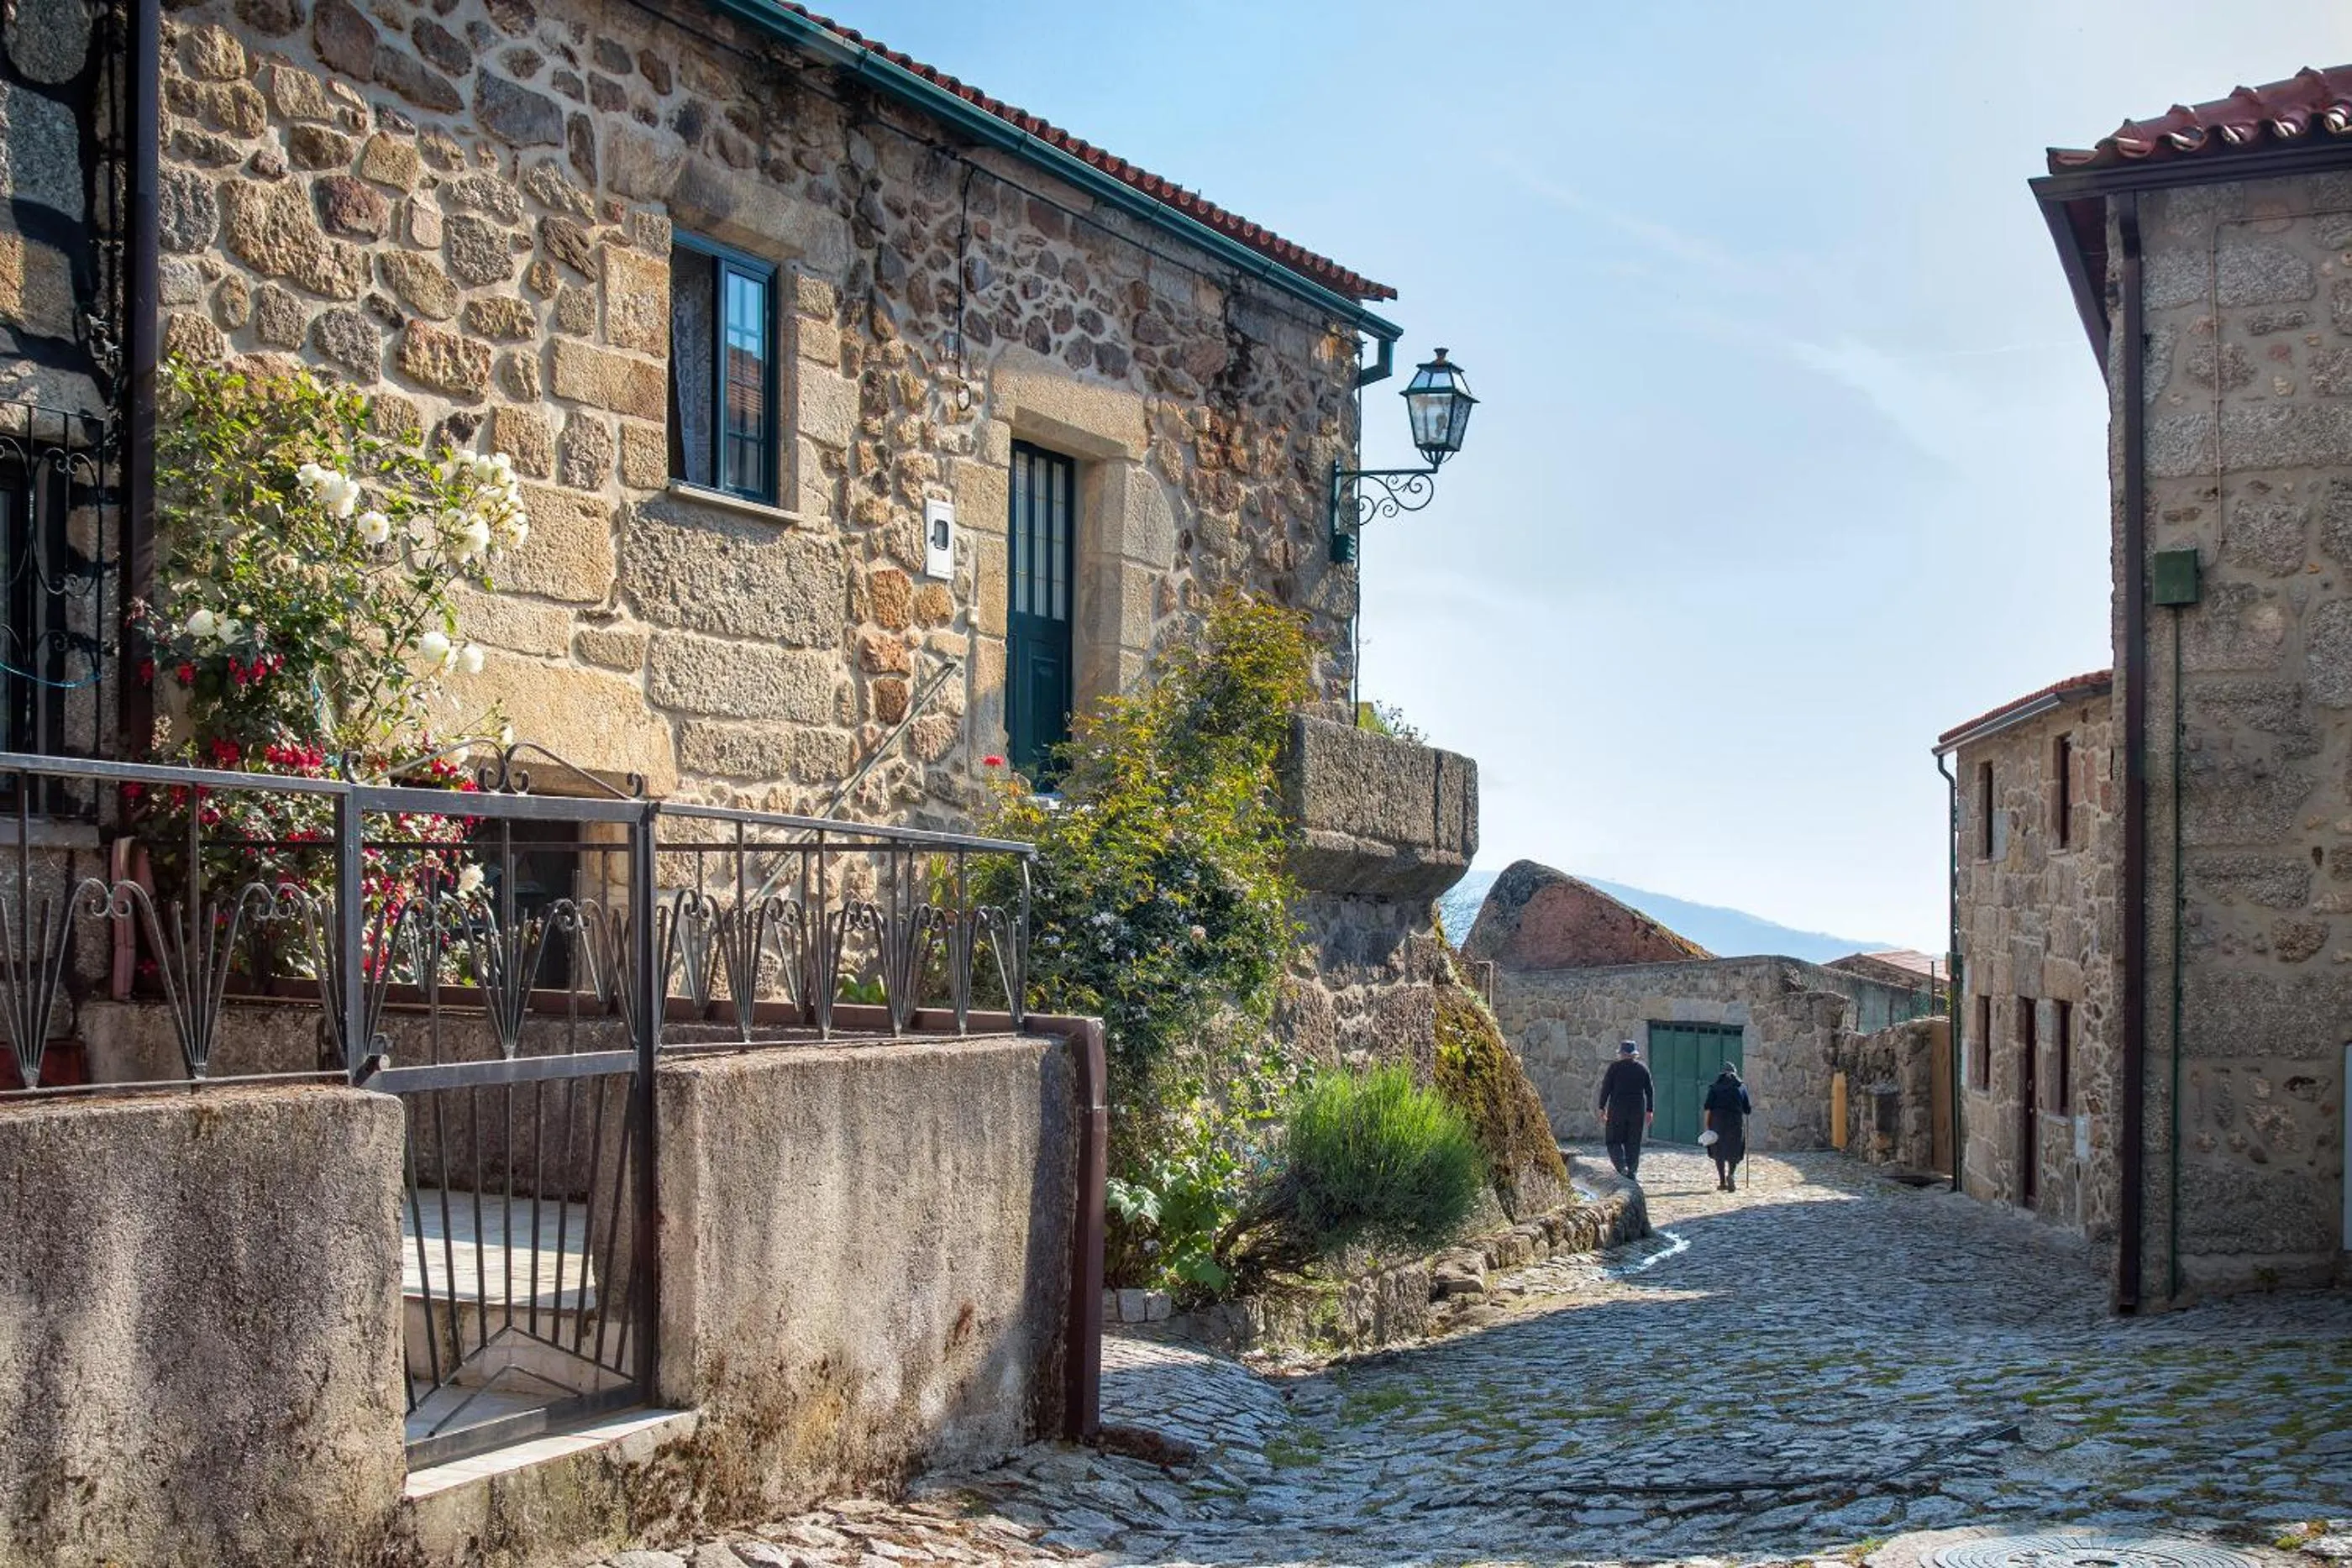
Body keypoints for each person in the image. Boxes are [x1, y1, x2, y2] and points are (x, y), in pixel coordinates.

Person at [1595, 1040, 1653, 1181]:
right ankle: (1632, 1171)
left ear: (1621, 1053)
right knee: (1633, 1141)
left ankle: (1621, 1167)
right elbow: (1650, 1091)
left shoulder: (1614, 1068)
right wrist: (1649, 1110)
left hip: (1617, 1109)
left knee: (1613, 1140)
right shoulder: (1642, 1069)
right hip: (1637, 1110)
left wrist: (1601, 1107)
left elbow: (1606, 1088)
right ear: (1634, 1055)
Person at [1703, 1063, 1752, 1192]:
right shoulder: (1741, 1087)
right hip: (1735, 1122)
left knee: (1718, 1151)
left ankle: (1722, 1181)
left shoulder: (1714, 1087)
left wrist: (1707, 1125)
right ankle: (1731, 1174)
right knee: (1734, 1150)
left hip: (1717, 1122)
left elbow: (1708, 1108)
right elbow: (1747, 1109)